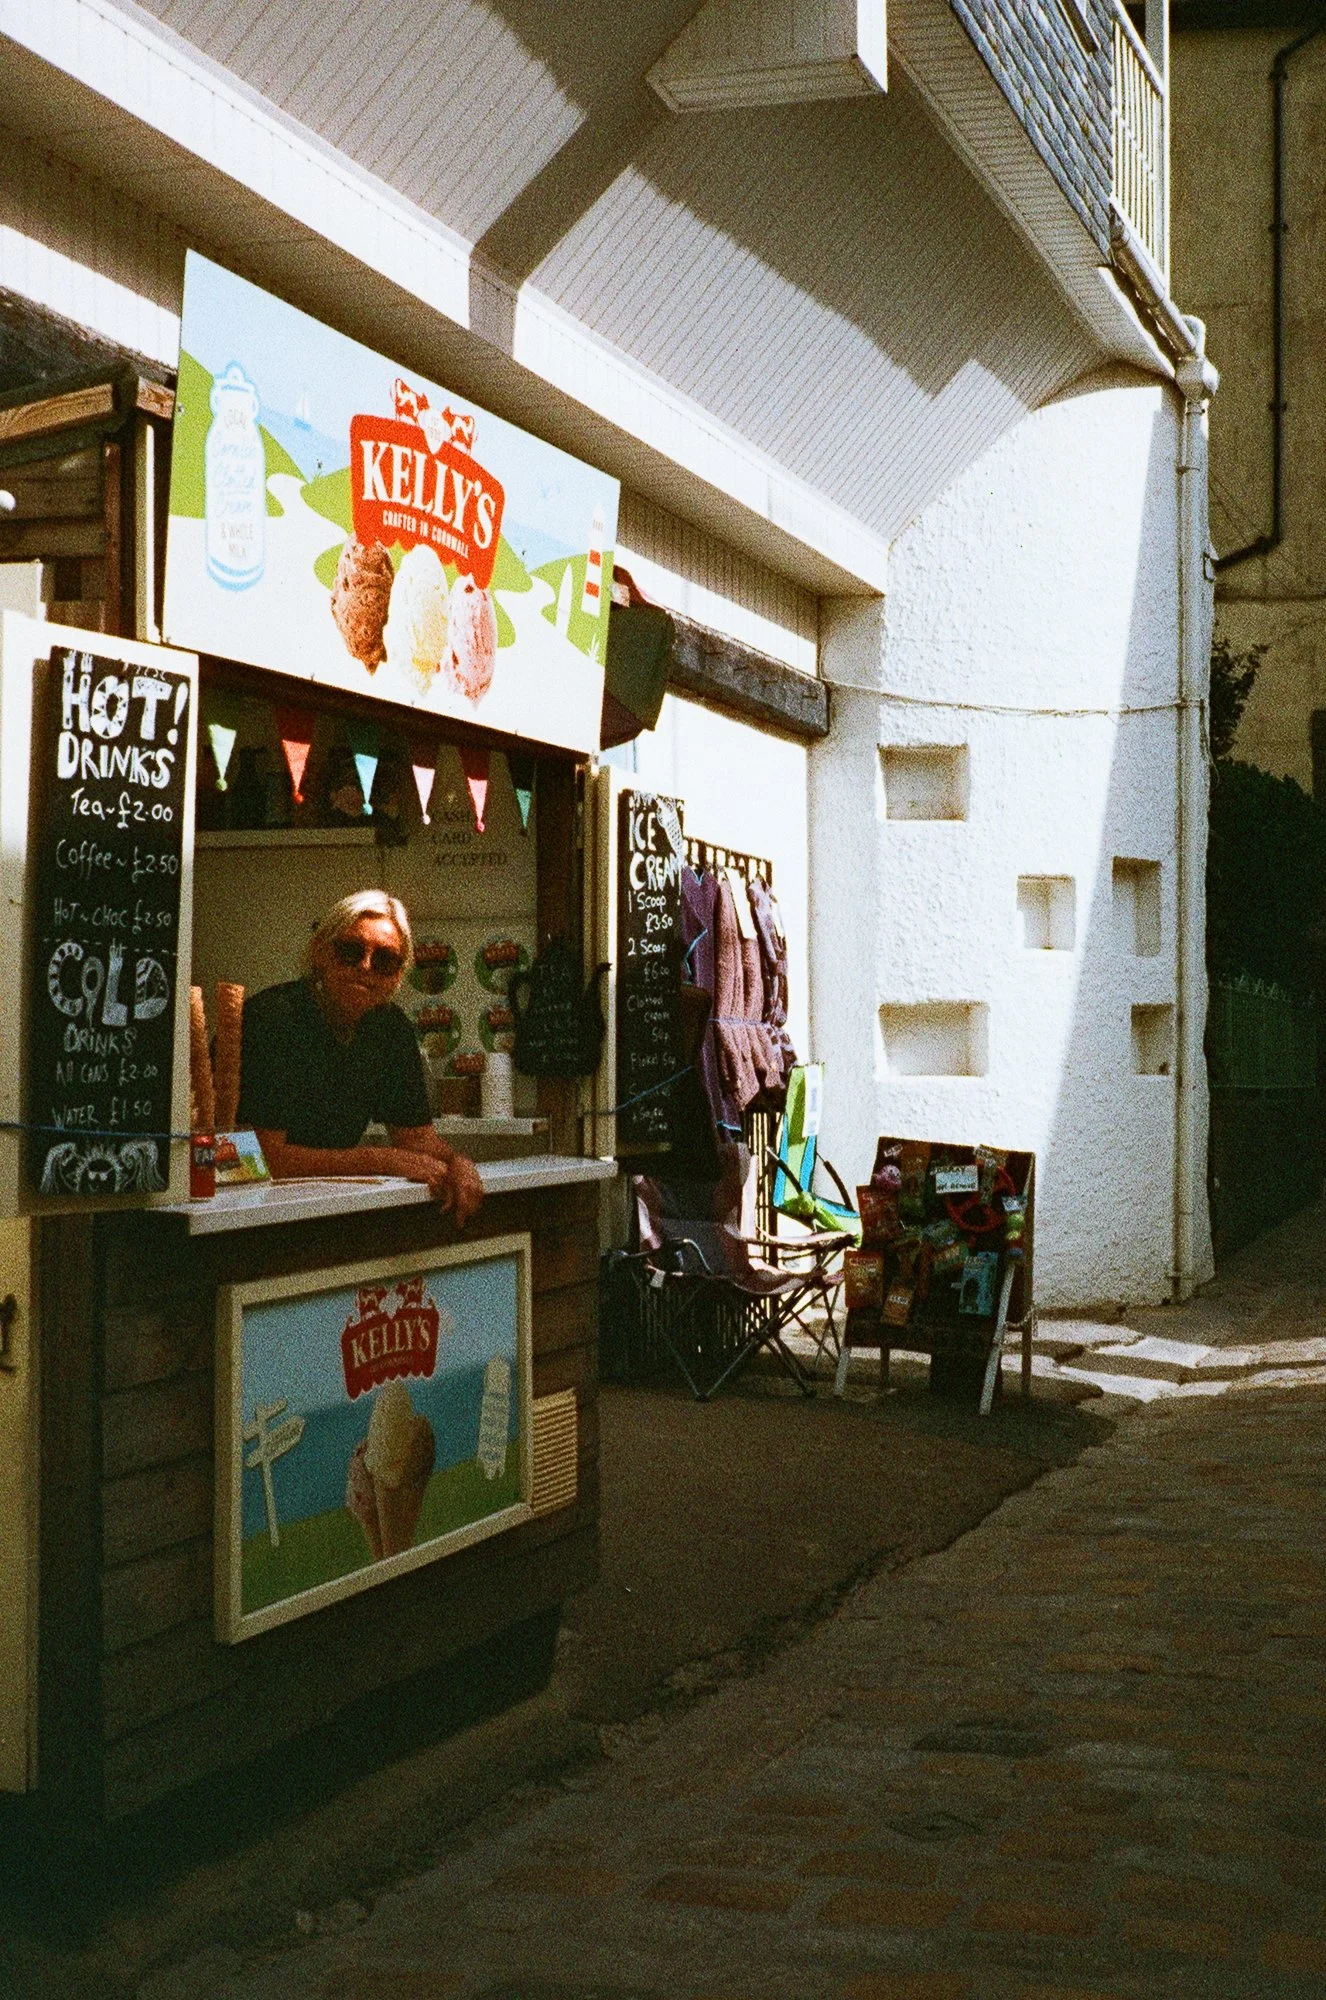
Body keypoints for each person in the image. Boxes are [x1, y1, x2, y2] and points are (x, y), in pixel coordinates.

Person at [236, 890, 484, 1224]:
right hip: (247, 1210)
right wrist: (379, 1160)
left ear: (397, 975)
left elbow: (416, 1138)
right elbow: (260, 1157)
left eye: (384, 960)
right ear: (320, 953)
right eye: (350, 951)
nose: (365, 967)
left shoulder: (390, 1028)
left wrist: (459, 1163)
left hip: (330, 1208)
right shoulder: (272, 1018)